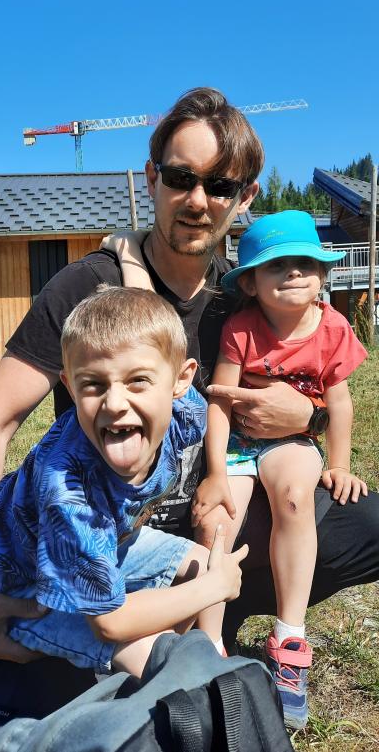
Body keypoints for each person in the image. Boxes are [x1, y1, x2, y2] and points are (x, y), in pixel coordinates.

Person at [0, 88, 377, 725]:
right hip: (101, 533)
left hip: (214, 510)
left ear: (245, 197)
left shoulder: (243, 301)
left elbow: (320, 377)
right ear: (152, 178)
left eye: (220, 185)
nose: (198, 199)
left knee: (364, 523)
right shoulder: (90, 289)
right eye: (181, 176)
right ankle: (109, 633)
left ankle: (228, 618)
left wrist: (313, 420)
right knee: (37, 698)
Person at [0, 286, 247, 677]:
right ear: (69, 387)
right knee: (147, 650)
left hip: (110, 543)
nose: (115, 403)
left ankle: (202, 652)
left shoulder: (186, 413)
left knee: (198, 564)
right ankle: (142, 675)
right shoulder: (68, 492)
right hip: (26, 587)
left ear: (181, 381)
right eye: (93, 385)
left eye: (138, 380)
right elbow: (110, 622)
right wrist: (214, 588)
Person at [190, 211, 368, 728]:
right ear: (250, 281)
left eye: (305, 263)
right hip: (240, 440)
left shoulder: (332, 326)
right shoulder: (241, 328)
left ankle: (290, 639)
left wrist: (339, 463)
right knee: (217, 518)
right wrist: (218, 471)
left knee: (294, 497)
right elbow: (220, 400)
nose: (294, 273)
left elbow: (340, 403)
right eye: (277, 266)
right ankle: (207, 645)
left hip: (294, 437)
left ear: (323, 273)